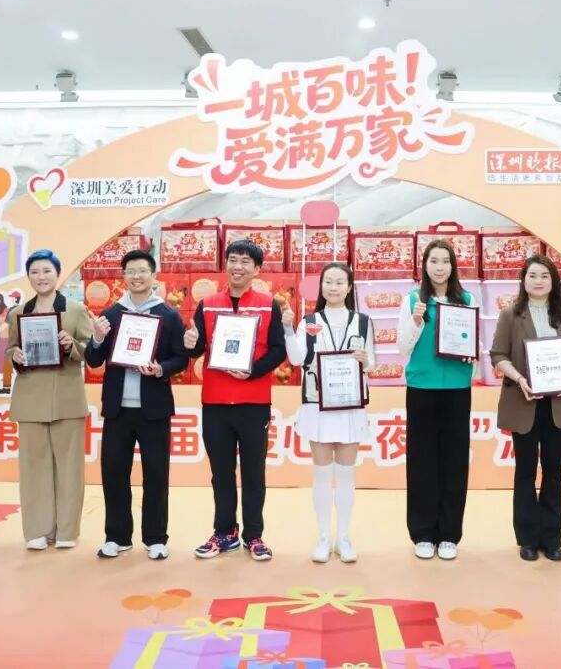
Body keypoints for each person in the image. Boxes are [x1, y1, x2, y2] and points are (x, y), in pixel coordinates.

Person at [184, 239, 287, 561]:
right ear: (225, 264)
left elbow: (278, 351)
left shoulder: (268, 305)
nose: (237, 267)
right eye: (233, 260)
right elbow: (196, 349)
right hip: (215, 402)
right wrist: (190, 342)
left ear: (257, 269)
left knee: (254, 472)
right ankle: (224, 532)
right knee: (221, 473)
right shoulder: (208, 304)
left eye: (245, 261)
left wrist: (252, 371)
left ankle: (254, 535)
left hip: (254, 402)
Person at [85, 249, 187, 559]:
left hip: (153, 408)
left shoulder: (168, 315)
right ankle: (117, 536)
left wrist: (160, 369)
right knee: (114, 473)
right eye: (130, 271)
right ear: (124, 276)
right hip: (117, 408)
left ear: (154, 275)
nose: (137, 276)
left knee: (156, 474)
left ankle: (155, 538)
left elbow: (180, 358)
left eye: (142, 271)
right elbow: (93, 360)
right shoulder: (111, 314)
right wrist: (97, 338)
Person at [489, 255, 561, 562]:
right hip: (524, 402)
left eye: (544, 275)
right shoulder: (510, 315)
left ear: (553, 280)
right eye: (532, 275)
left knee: (555, 473)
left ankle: (552, 539)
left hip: (558, 404)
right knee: (526, 473)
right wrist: (520, 380)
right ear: (523, 281)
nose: (538, 281)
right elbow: (498, 355)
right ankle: (528, 539)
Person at [284, 262, 375, 564]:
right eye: (328, 282)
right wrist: (287, 329)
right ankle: (323, 537)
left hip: (350, 405)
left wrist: (365, 359)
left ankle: (344, 537)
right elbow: (296, 359)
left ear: (349, 288)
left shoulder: (363, 322)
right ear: (321, 287)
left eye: (339, 282)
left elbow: (372, 363)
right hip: (317, 405)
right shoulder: (309, 322)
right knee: (322, 474)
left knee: (346, 475)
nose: (333, 287)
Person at [6, 249, 93, 551]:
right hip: (30, 398)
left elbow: (90, 351)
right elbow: (11, 348)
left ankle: (67, 530)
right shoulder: (18, 312)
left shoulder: (76, 310)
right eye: (35, 272)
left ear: (57, 274)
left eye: (47, 271)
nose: (41, 277)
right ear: (28, 276)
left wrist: (71, 345)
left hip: (67, 397)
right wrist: (14, 356)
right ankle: (37, 530)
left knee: (70, 467)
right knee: (33, 467)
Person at [396, 239, 478, 561]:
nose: (440, 267)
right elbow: (403, 347)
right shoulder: (412, 300)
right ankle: (423, 533)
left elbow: (474, 343)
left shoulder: (467, 300)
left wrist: (471, 353)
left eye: (445, 261)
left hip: (457, 388)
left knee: (454, 462)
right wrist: (416, 321)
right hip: (422, 388)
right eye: (434, 261)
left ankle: (449, 535)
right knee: (421, 462)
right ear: (425, 265)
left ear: (453, 266)